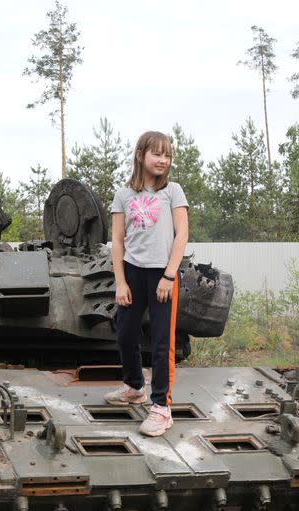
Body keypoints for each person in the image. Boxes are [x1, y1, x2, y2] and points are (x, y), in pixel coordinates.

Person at [104, 131, 189, 437]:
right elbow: (117, 239)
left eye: (167, 156)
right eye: (157, 154)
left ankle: (162, 408)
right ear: (140, 155)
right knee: (125, 333)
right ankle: (133, 386)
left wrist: (169, 275)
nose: (163, 161)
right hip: (132, 272)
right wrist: (120, 282)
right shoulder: (124, 194)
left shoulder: (173, 191)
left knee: (161, 343)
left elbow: (182, 235)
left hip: (162, 274)